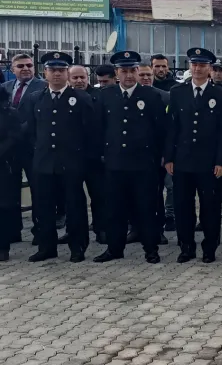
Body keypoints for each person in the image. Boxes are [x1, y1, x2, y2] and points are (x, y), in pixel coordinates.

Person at [93, 51, 166, 264]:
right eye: (124, 71)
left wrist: (160, 156)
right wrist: (101, 156)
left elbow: (161, 129)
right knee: (115, 209)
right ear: (117, 73)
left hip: (143, 164)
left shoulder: (152, 96)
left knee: (146, 208)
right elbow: (99, 129)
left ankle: (151, 249)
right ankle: (115, 248)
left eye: (132, 70)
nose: (129, 75)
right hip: (115, 163)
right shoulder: (106, 96)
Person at [26, 52, 95, 263]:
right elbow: (30, 131)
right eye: (52, 70)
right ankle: (47, 247)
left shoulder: (82, 98)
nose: (57, 74)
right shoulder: (35, 98)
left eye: (61, 70)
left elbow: (90, 133)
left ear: (67, 73)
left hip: (71, 163)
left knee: (74, 207)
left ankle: (77, 247)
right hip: (44, 163)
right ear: (44, 73)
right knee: (44, 207)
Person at [165, 48, 222, 263]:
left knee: (210, 208)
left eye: (202, 65)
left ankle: (210, 247)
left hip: (209, 162)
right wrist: (169, 157)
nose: (197, 69)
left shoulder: (221, 95)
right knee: (183, 207)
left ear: (210, 69)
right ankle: (186, 246)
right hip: (182, 161)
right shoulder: (177, 92)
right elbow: (172, 127)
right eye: (194, 64)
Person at [2, 53, 48, 243]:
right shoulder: (4, 88)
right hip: (8, 152)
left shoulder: (43, 87)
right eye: (20, 66)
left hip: (33, 148)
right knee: (9, 191)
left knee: (39, 191)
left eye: (29, 65)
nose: (25, 69)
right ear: (12, 70)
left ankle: (40, 231)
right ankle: (13, 231)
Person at [66, 65, 107, 245]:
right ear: (69, 79)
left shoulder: (99, 96)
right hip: (70, 158)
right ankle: (73, 231)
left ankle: (102, 230)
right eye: (74, 78)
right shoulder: (62, 97)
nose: (79, 81)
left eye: (82, 77)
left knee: (99, 196)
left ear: (88, 77)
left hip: (94, 157)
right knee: (72, 198)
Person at [137, 62, 171, 246]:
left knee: (156, 195)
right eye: (142, 75)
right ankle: (136, 229)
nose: (146, 78)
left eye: (148, 75)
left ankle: (158, 230)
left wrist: (166, 154)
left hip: (155, 156)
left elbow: (169, 129)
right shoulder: (127, 97)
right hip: (133, 156)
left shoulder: (164, 97)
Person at [0, 87, 21, 261]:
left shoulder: (9, 113)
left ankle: (2, 247)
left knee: (3, 207)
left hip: (3, 165)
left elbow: (14, 137)